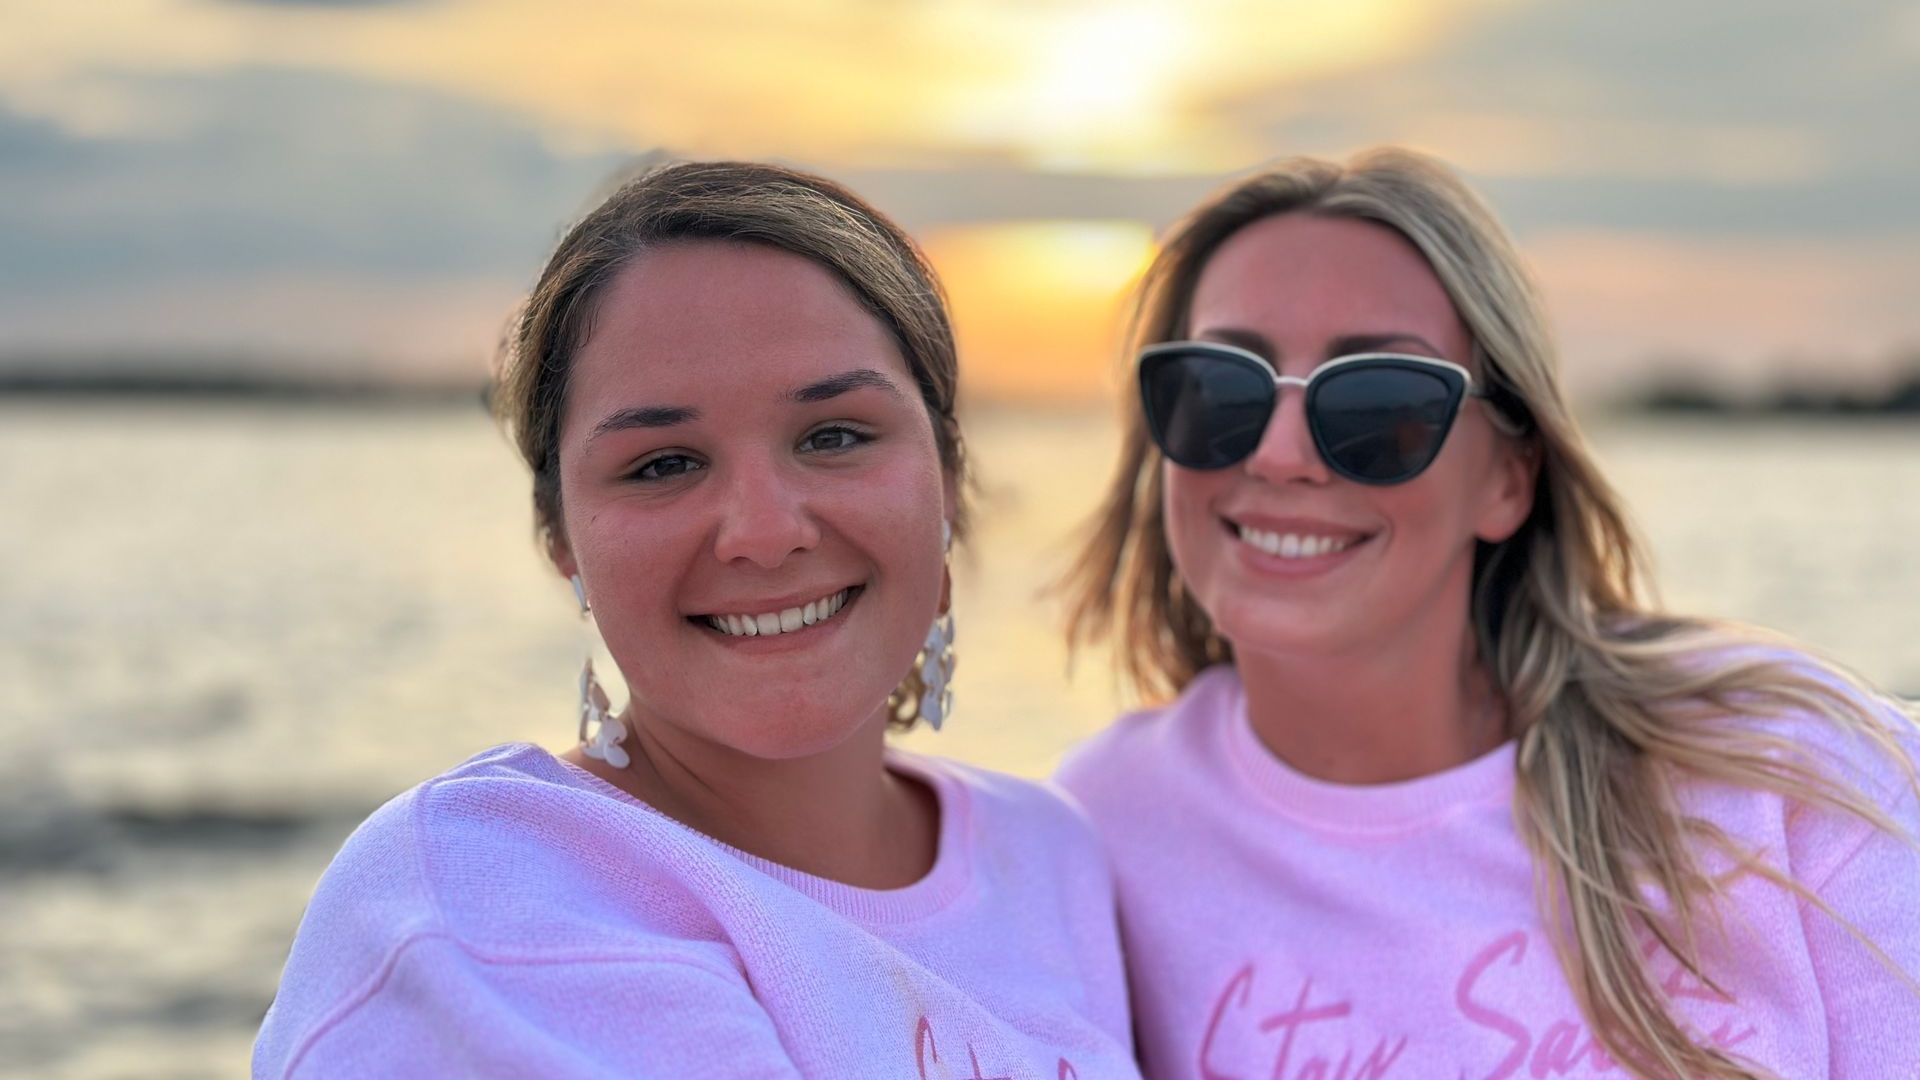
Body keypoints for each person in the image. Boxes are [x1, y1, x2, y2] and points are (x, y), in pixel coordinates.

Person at [254, 161, 1137, 1078]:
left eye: (834, 436)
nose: (762, 532)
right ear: (561, 536)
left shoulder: (1052, 855)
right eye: (664, 464)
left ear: (946, 479)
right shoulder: (483, 897)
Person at [1055, 148, 1920, 1079]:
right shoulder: (1098, 829)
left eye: (1380, 402)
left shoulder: (1790, 775)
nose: (1279, 453)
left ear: (1509, 478)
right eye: (1220, 390)